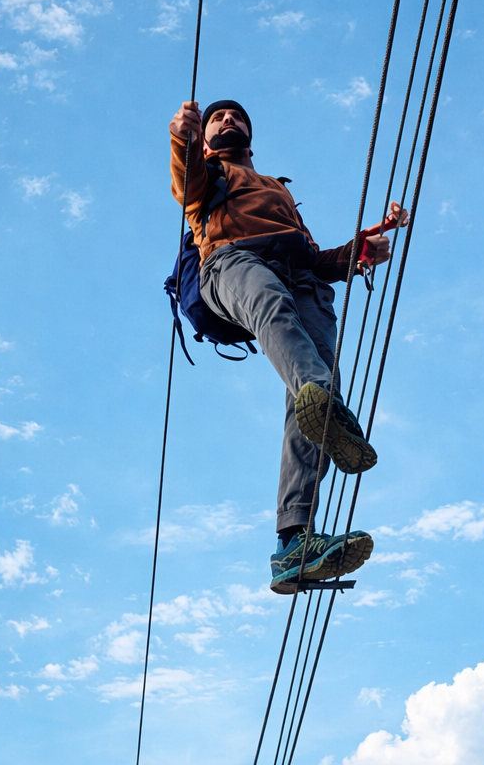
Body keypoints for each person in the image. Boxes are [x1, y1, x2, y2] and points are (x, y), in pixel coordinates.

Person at [169, 98, 394, 594]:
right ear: (206, 138)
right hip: (231, 264)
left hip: (303, 278)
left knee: (306, 399)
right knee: (278, 318)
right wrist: (182, 140)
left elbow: (315, 258)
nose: (228, 120)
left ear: (251, 136)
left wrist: (362, 249)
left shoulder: (275, 190)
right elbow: (185, 182)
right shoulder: (206, 173)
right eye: (217, 119)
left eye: (237, 118)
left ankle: (293, 543)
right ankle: (328, 407)